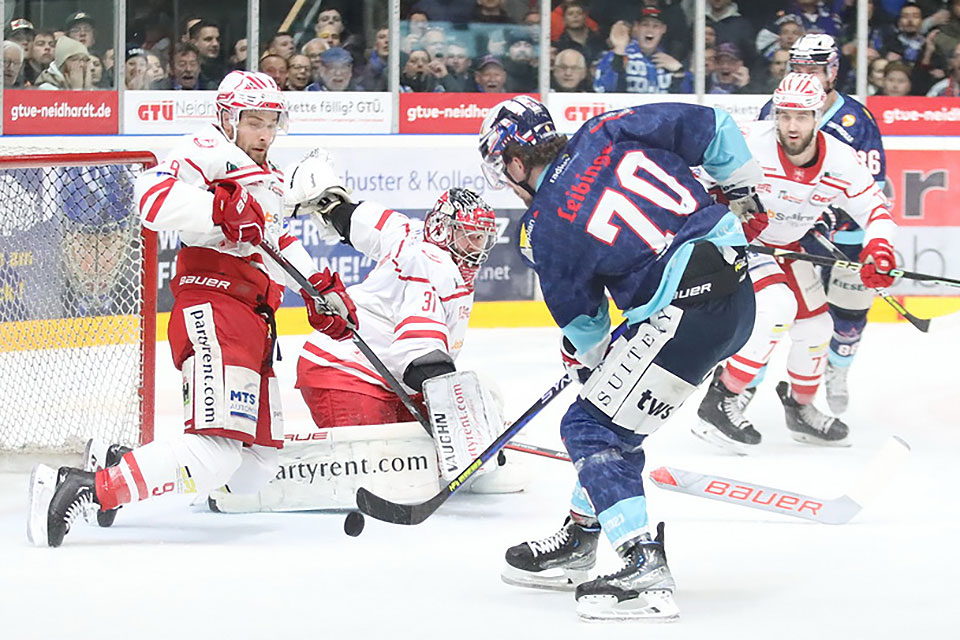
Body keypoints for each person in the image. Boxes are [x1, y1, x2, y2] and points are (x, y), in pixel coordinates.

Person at [26, 70, 358, 548]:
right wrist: (215, 212)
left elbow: (274, 243)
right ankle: (86, 489)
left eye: (272, 122)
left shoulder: (267, 179)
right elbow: (151, 196)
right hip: (213, 305)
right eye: (254, 121)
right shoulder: (208, 149)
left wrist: (317, 289)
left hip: (252, 319)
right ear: (228, 118)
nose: (264, 133)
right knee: (218, 453)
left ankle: (119, 462)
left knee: (254, 468)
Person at [477, 96, 764, 621]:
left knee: (591, 429)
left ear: (517, 162)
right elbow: (715, 125)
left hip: (684, 315)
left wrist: (586, 357)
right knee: (613, 414)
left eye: (504, 170)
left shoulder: (544, 229)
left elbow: (589, 333)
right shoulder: (607, 129)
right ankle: (582, 535)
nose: (508, 182)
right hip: (737, 296)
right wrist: (743, 192)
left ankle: (642, 562)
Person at [695, 73, 896, 453]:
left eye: (801, 116)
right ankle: (721, 398)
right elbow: (695, 185)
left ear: (818, 114)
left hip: (787, 247)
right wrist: (717, 214)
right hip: (742, 245)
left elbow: (875, 209)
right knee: (777, 307)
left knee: (818, 328)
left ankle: (800, 408)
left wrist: (880, 249)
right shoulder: (749, 145)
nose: (791, 126)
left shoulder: (841, 159)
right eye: (784, 115)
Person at [757, 34, 887, 415]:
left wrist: (828, 215)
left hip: (846, 234)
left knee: (847, 314)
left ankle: (837, 370)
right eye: (799, 69)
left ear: (831, 70)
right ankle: (747, 388)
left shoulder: (856, 118)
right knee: (774, 312)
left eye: (813, 69)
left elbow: (872, 184)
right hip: (791, 231)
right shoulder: (775, 108)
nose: (806, 77)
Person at [593, 9, 692, 94]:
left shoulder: (669, 61)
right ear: (636, 27)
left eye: (656, 26)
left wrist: (679, 73)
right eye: (645, 25)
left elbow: (684, 103)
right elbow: (605, 91)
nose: (650, 30)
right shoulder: (614, 55)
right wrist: (619, 55)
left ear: (663, 29)